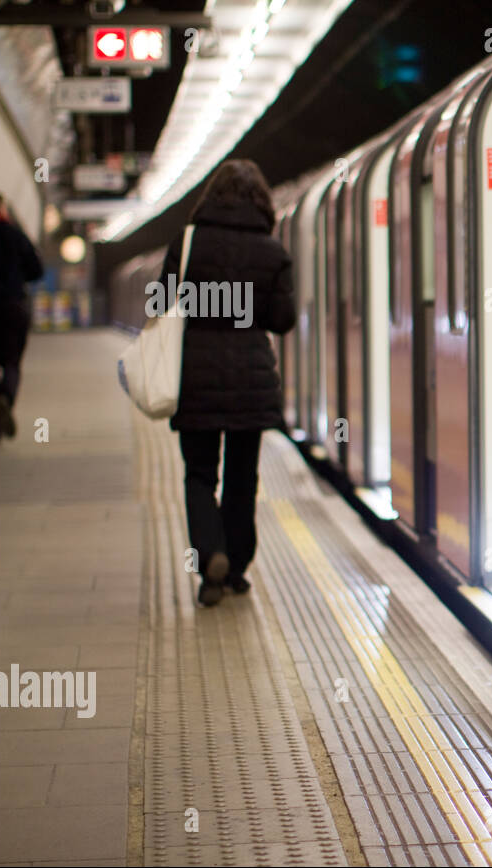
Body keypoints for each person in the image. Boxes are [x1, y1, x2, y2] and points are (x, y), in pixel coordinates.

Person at [162, 159, 296, 606]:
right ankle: (236, 566)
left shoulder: (187, 244)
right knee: (242, 477)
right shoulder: (272, 252)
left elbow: (164, 303)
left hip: (196, 379)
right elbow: (283, 320)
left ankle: (211, 559)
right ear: (261, 200)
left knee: (200, 475)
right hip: (251, 383)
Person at [0, 191, 44, 440]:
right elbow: (36, 270)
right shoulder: (15, 236)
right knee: (12, 363)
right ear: (2, 210)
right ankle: (6, 398)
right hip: (12, 308)